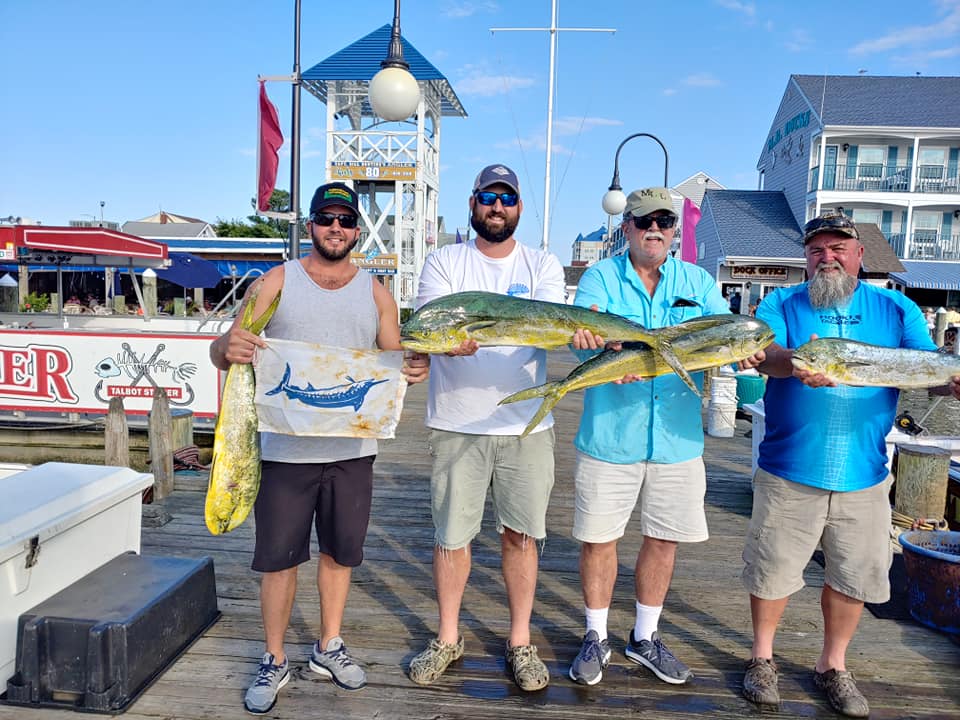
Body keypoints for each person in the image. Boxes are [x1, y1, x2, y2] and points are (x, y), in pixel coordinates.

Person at [209, 182, 429, 715]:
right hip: (283, 453)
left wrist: (415, 366)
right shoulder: (275, 282)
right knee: (278, 560)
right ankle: (274, 657)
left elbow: (394, 360)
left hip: (353, 452)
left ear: (357, 230)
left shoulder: (377, 294)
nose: (336, 228)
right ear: (310, 225)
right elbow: (223, 351)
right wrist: (226, 347)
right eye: (326, 218)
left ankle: (328, 644)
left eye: (346, 220)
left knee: (339, 554)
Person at [738, 212, 960, 717]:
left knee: (852, 576)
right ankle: (762, 657)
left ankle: (832, 665)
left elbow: (924, 369)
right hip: (788, 468)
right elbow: (765, 354)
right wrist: (797, 364)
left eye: (838, 248)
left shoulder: (896, 308)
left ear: (860, 255)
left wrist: (950, 385)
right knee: (771, 571)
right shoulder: (781, 302)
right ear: (806, 258)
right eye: (817, 250)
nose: (827, 257)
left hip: (865, 472)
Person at [567, 187, 755, 686]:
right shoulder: (600, 277)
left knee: (664, 540)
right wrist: (594, 348)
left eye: (665, 221)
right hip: (610, 436)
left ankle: (644, 637)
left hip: (677, 439)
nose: (655, 228)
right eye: (644, 220)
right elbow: (581, 339)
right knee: (599, 540)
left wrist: (744, 351)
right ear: (626, 227)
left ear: (674, 231)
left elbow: (724, 334)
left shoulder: (698, 281)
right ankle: (596, 634)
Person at [406, 164, 565, 691]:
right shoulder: (445, 260)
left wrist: (584, 336)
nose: (498, 206)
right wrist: (444, 346)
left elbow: (549, 327)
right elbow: (430, 329)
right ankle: (448, 636)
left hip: (526, 425)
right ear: (473, 202)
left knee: (521, 536)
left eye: (508, 198)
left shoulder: (543, 264)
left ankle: (520, 641)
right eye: (489, 197)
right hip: (457, 422)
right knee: (452, 537)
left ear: (519, 207)